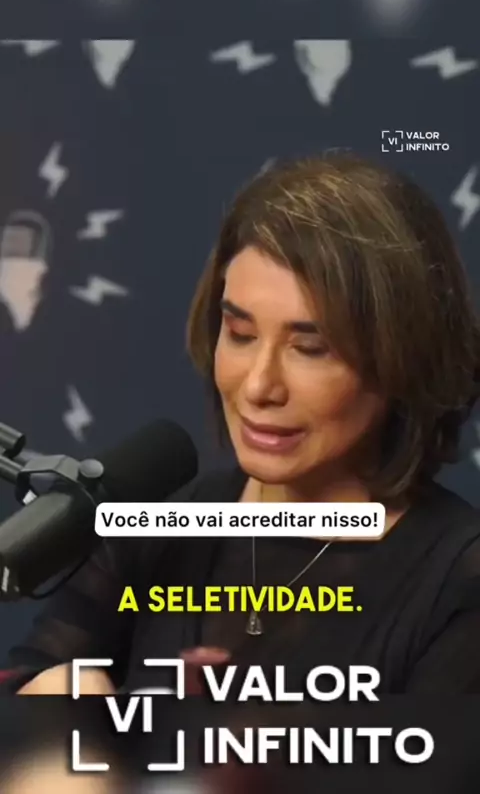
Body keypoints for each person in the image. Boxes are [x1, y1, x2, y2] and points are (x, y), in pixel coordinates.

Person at [5, 152, 480, 695]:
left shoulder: (460, 582)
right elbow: (30, 681)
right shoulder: (154, 532)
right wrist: (53, 708)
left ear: (402, 357)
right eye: (241, 334)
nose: (258, 386)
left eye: (311, 348)